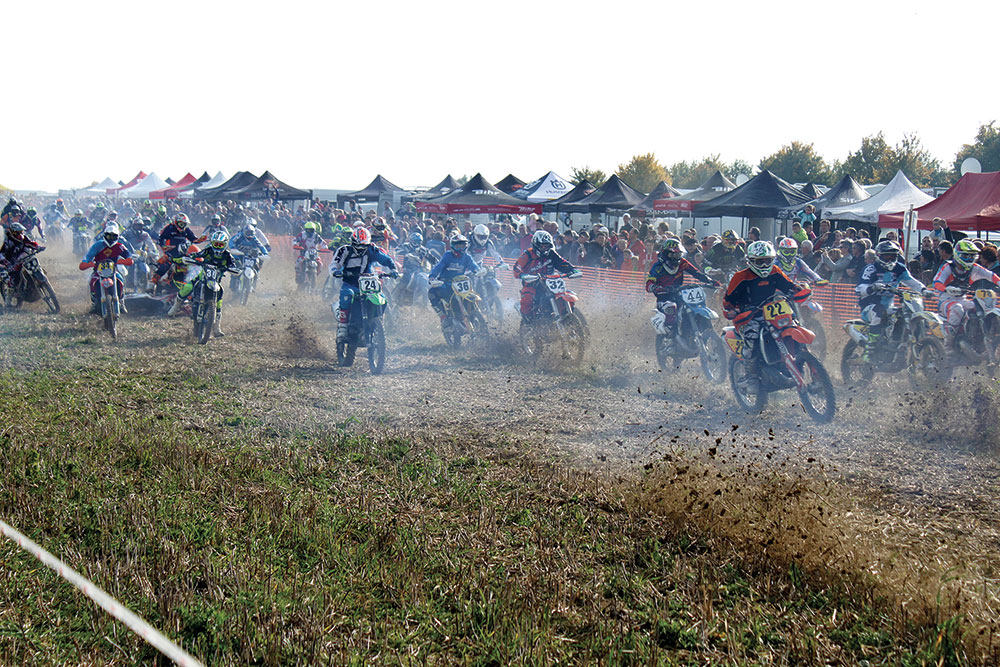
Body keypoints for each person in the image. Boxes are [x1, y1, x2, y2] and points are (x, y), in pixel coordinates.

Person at [723, 241, 811, 390]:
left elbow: (788, 285)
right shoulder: (740, 277)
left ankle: (808, 365)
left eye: (767, 260)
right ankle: (751, 379)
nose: (764, 265)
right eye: (760, 261)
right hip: (749, 316)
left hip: (772, 311)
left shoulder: (775, 271)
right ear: (750, 261)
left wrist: (797, 288)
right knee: (751, 337)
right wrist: (731, 310)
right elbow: (728, 300)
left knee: (794, 324)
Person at [855, 240, 928, 360]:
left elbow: (912, 282)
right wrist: (872, 287)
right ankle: (870, 348)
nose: (889, 259)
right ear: (879, 256)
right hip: (869, 307)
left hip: (889, 307)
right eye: (886, 256)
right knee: (879, 311)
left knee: (903, 316)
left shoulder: (899, 268)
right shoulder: (871, 269)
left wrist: (924, 290)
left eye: (893, 256)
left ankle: (895, 342)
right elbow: (859, 288)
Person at [645, 238, 720, 343]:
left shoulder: (682, 263)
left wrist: (710, 281)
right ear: (667, 254)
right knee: (672, 307)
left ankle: (700, 330)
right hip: (664, 297)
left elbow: (696, 273)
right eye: (675, 255)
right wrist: (655, 287)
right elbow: (649, 283)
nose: (678, 257)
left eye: (679, 254)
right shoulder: (658, 266)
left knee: (692, 306)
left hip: (679, 294)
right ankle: (670, 336)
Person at [331, 227, 397, 342]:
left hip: (367, 281)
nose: (361, 249)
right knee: (347, 295)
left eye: (364, 246)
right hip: (350, 282)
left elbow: (385, 259)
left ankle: (376, 321)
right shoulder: (345, 250)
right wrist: (335, 271)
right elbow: (335, 263)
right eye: (358, 246)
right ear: (352, 242)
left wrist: (393, 268)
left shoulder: (372, 249)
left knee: (382, 298)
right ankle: (343, 327)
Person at [169, 231, 241, 334]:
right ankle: (175, 307)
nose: (218, 246)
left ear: (225, 245)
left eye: (220, 244)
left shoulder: (227, 255)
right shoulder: (208, 250)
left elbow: (234, 265)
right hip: (202, 276)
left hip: (216, 280)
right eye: (216, 244)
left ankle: (217, 327)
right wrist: (192, 257)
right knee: (188, 287)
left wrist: (234, 269)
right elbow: (198, 254)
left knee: (220, 298)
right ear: (212, 243)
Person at [932, 238, 1000, 336]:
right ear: (958, 254)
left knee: (978, 308)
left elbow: (991, 276)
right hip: (944, 299)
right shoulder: (948, 267)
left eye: (972, 256)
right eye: (965, 255)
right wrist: (946, 289)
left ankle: (972, 335)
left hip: (962, 299)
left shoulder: (975, 268)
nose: (969, 259)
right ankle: (949, 345)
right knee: (957, 309)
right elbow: (936, 282)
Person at [512, 230, 579, 322]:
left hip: (550, 282)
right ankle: (528, 321)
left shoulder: (551, 253)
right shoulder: (528, 254)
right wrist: (522, 274)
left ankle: (567, 315)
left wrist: (572, 269)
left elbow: (561, 263)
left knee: (566, 294)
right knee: (527, 298)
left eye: (546, 246)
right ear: (536, 244)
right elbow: (517, 267)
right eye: (542, 245)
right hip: (533, 283)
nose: (544, 248)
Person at [427, 234, 481, 328]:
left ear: (466, 246)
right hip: (447, 283)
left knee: (472, 296)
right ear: (452, 246)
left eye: (462, 246)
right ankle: (443, 316)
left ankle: (476, 316)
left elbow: (474, 266)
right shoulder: (448, 255)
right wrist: (432, 277)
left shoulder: (467, 257)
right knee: (431, 292)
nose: (460, 249)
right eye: (458, 246)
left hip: (461, 283)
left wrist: (478, 271)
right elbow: (439, 266)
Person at [79, 223, 133, 313]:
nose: (111, 239)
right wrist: (87, 263)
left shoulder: (119, 246)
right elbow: (87, 256)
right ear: (104, 235)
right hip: (98, 271)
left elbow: (129, 256)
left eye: (113, 237)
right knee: (91, 280)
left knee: (121, 279)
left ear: (117, 237)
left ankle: (121, 301)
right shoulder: (97, 245)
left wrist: (124, 261)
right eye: (109, 236)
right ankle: (94, 302)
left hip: (113, 271)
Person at [152, 213, 204, 288]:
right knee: (166, 264)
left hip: (183, 252)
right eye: (180, 224)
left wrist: (201, 239)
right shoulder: (169, 228)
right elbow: (161, 238)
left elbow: (194, 239)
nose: (182, 226)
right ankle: (153, 282)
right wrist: (164, 246)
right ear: (176, 222)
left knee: (193, 265)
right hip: (170, 252)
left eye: (184, 224)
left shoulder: (186, 229)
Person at [0, 222, 44, 290]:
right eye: (18, 232)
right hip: (12, 262)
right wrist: (5, 262)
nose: (20, 234)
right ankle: (11, 292)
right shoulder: (8, 242)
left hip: (23, 257)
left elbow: (30, 243)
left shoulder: (23, 237)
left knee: (34, 264)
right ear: (13, 233)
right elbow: (2, 253)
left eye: (21, 231)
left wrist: (38, 247)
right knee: (13, 280)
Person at [292, 222, 329, 286]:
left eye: (311, 230)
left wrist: (325, 248)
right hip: (303, 252)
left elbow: (323, 243)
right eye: (308, 230)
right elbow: (294, 239)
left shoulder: (316, 236)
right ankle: (298, 275)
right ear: (305, 230)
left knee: (320, 263)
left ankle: (315, 274)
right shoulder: (302, 235)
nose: (310, 231)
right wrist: (295, 245)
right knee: (298, 262)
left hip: (314, 253)